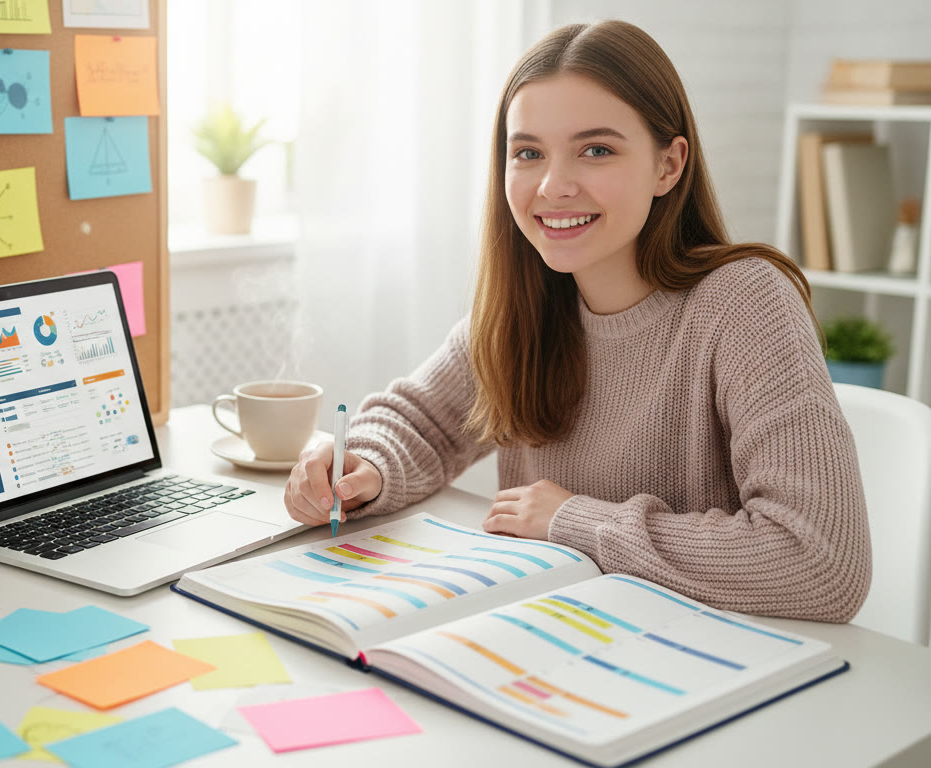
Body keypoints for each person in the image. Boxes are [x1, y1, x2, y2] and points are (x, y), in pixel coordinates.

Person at [283, 19, 871, 623]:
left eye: (596, 150)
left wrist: (574, 521)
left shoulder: (744, 304)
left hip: (707, 656)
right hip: (560, 632)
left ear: (668, 165)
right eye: (528, 152)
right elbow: (424, 423)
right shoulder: (528, 302)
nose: (553, 186)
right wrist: (364, 468)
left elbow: (819, 563)